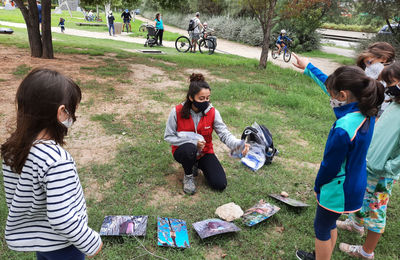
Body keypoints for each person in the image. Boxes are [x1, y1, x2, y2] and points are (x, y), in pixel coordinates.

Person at [1, 68, 103, 259]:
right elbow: (61, 218)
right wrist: (92, 242)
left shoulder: (13, 150)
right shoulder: (56, 160)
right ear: (62, 112)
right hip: (65, 246)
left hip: (42, 243)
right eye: (72, 110)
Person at [292, 56, 385, 260]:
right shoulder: (367, 110)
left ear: (343, 95)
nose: (330, 97)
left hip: (337, 188)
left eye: (332, 95)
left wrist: (318, 186)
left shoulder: (344, 129)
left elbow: (329, 166)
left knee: (322, 229)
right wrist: (309, 67)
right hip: (354, 183)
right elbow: (332, 84)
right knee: (329, 222)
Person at [336, 62, 400, 260]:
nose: (388, 86)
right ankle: (355, 224)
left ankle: (366, 252)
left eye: (392, 82)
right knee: (363, 196)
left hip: (383, 173)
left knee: (376, 211)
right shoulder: (394, 103)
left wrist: (387, 167)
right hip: (370, 164)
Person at [164, 73, 250, 195]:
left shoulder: (212, 112)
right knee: (189, 149)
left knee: (220, 184)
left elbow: (224, 134)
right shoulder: (177, 111)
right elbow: (168, 136)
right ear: (191, 97)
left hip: (205, 152)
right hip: (183, 151)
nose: (205, 102)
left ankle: (197, 164)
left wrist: (239, 145)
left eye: (207, 98)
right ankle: (188, 175)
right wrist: (193, 142)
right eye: (201, 98)